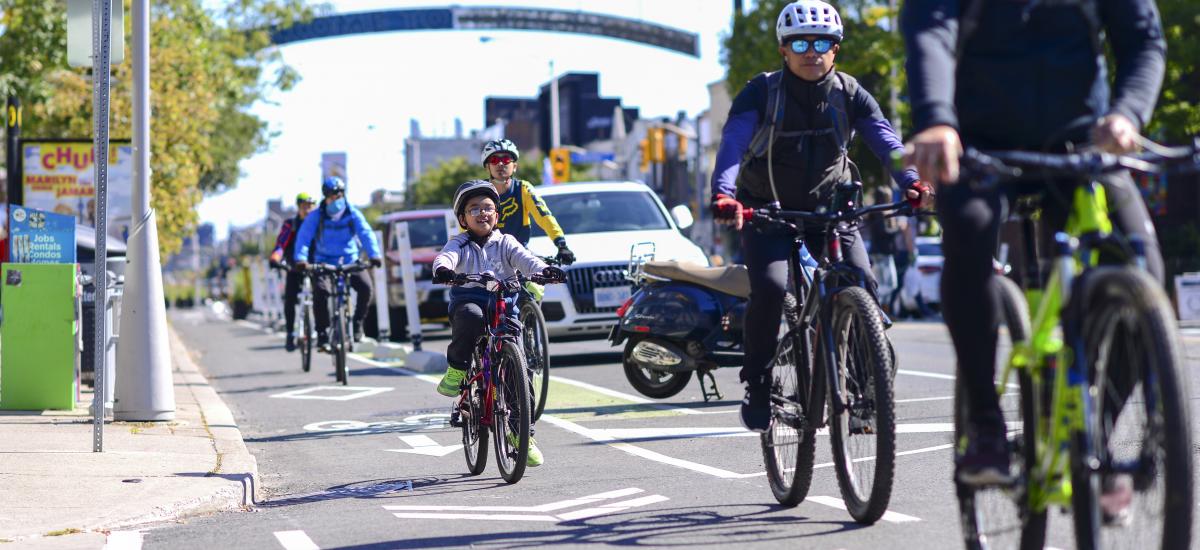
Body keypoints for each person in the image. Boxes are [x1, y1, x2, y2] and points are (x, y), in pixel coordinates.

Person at [901, 0, 1166, 488]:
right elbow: (928, 32)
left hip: (1082, 144)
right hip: (981, 146)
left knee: (1143, 271)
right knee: (969, 234)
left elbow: (1144, 40)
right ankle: (985, 423)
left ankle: (1095, 428)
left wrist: (1128, 113)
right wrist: (936, 119)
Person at [709, 0, 930, 432]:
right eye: (801, 43)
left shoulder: (850, 94)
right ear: (783, 50)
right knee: (771, 288)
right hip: (767, 209)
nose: (812, 52)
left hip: (831, 208)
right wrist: (724, 195)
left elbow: (886, 142)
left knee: (861, 281)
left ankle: (865, 391)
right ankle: (757, 380)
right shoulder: (761, 92)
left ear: (836, 49)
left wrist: (913, 182)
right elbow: (733, 143)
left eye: (823, 43)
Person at [430, 180, 565, 467]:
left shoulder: (506, 242)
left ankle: (522, 436)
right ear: (463, 218)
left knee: (522, 372)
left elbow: (526, 260)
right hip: (470, 300)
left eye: (488, 208)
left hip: (504, 305)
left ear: (497, 215)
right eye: (474, 209)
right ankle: (456, 371)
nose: (482, 213)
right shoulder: (460, 243)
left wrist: (544, 271)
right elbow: (446, 257)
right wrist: (443, 269)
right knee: (471, 318)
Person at [293, 176, 383, 350]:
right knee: (321, 291)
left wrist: (374, 255)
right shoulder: (316, 216)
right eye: (331, 197)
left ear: (343, 195)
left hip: (350, 260)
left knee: (365, 287)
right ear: (325, 198)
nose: (335, 200)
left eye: (338, 196)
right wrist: (301, 259)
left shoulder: (352, 213)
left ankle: (357, 324)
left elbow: (365, 233)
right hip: (323, 262)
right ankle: (322, 333)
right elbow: (304, 238)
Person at [479, 139, 576, 264]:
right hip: (485, 261)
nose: (501, 164)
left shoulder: (524, 188)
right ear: (487, 167)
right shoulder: (477, 191)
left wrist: (561, 245)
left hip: (519, 258)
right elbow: (465, 229)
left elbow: (544, 217)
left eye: (506, 159)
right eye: (494, 160)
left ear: (514, 167)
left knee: (537, 284)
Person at [269, 192, 318, 352]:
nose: (307, 210)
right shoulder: (291, 224)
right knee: (290, 299)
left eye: (310, 206)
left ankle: (323, 331)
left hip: (315, 266)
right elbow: (280, 244)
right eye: (304, 206)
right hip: (294, 267)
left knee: (322, 294)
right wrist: (275, 258)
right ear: (298, 207)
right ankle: (290, 333)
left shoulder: (319, 223)